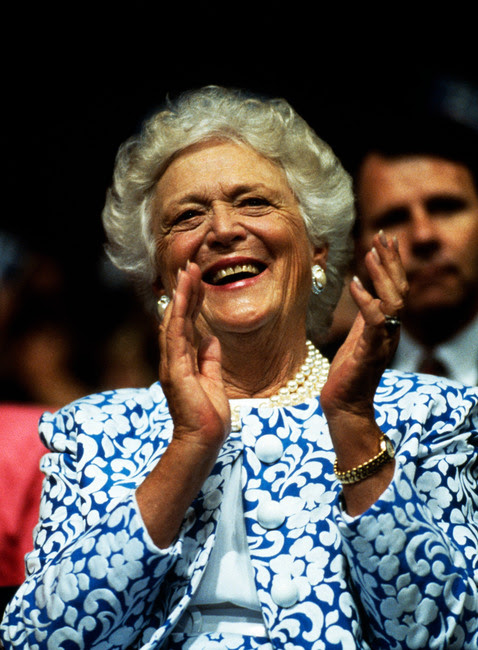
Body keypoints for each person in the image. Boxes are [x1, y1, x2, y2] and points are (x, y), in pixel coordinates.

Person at [1, 86, 477, 650]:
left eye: (254, 202)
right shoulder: (93, 430)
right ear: (157, 278)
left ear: (318, 247)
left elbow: (449, 636)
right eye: (188, 216)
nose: (223, 230)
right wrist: (188, 448)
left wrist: (350, 421)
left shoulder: (429, 413)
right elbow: (37, 639)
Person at [352, 114, 478, 385]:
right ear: (356, 250)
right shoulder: (330, 384)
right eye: (394, 219)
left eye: (445, 208)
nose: (423, 236)